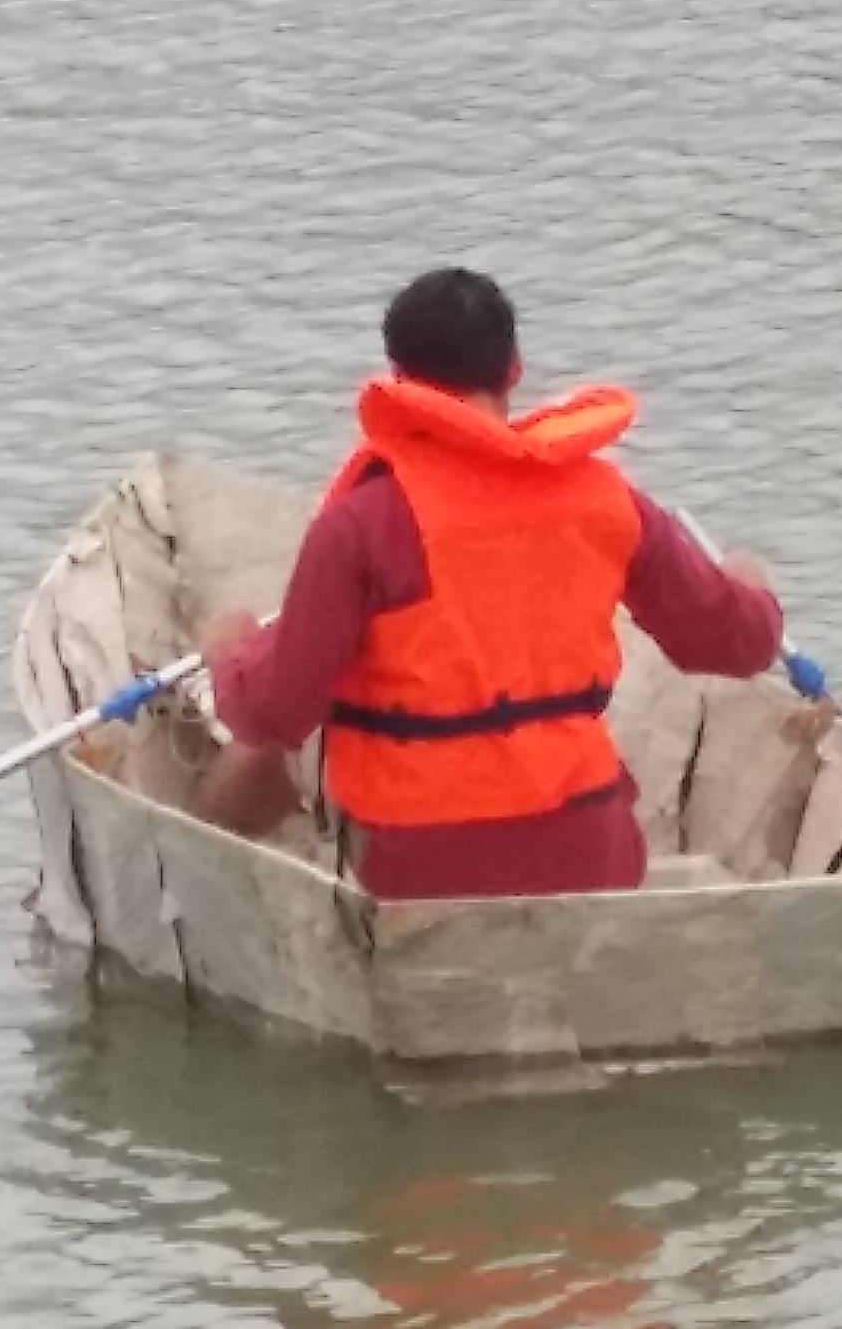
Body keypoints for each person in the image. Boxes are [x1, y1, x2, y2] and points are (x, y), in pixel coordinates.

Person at [194, 268, 789, 900]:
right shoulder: (608, 500)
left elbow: (276, 711)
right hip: (590, 856)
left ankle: (193, 877)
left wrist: (227, 655)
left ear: (398, 379)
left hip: (417, 872)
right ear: (513, 370)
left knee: (264, 749)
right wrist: (749, 588)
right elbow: (735, 645)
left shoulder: (362, 525)